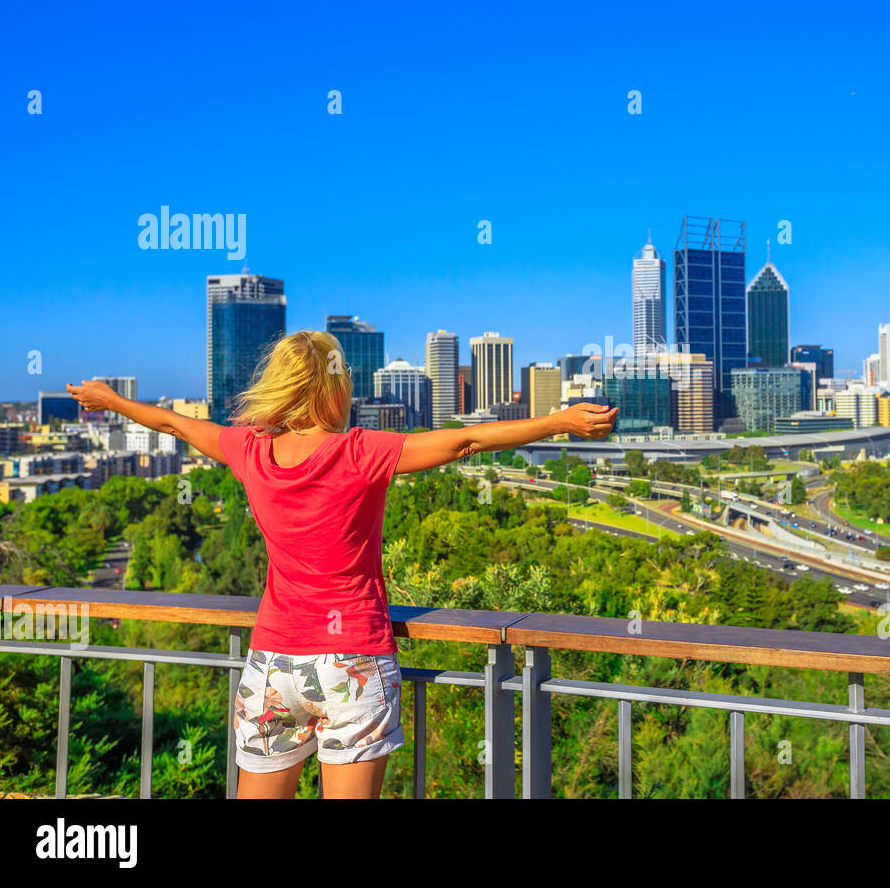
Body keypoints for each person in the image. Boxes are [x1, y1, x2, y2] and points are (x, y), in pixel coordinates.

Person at [67, 330, 617, 798]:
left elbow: (175, 426)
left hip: (273, 665)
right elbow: (465, 442)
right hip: (353, 660)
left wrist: (110, 400)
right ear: (332, 389)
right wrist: (560, 421)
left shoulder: (250, 450)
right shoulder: (361, 450)